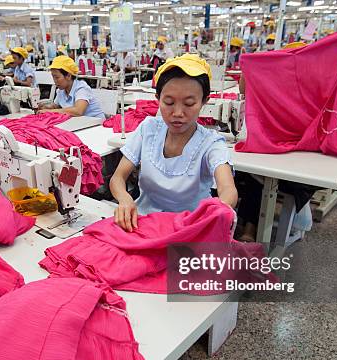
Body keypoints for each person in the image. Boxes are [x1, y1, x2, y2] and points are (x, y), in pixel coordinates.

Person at [109, 54, 237, 231]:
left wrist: (217, 211)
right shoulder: (148, 129)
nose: (178, 112)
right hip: (142, 223)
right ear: (158, 98)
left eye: (189, 104)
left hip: (189, 228)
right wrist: (124, 199)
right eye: (168, 102)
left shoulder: (211, 144)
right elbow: (117, 177)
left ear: (204, 102)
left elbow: (227, 188)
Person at [38, 56, 105, 119]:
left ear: (68, 76)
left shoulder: (81, 88)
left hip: (97, 125)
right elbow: (57, 106)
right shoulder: (61, 90)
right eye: (53, 77)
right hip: (79, 124)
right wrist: (46, 107)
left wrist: (49, 111)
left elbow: (78, 111)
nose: (54, 81)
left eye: (57, 77)